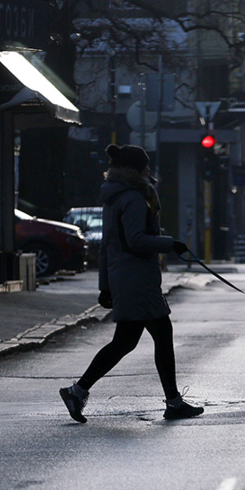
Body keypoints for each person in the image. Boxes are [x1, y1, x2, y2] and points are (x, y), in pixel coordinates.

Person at [60, 144, 202, 422]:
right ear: (136, 169)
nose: (150, 170)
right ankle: (172, 402)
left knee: (126, 341)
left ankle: (78, 391)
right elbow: (135, 240)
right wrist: (170, 244)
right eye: (145, 166)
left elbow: (107, 247)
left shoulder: (114, 198)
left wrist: (106, 285)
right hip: (137, 279)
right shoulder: (135, 198)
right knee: (157, 335)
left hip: (126, 278)